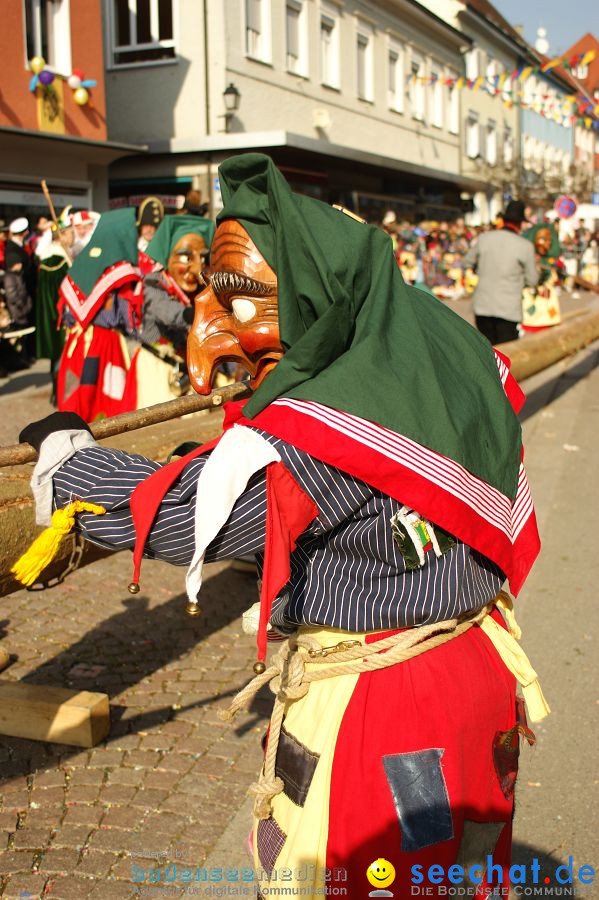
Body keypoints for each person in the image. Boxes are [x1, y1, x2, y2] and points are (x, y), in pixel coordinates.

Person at [15, 155, 545, 897]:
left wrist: (70, 459)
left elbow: (186, 518)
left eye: (239, 302)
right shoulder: (433, 349)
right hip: (473, 673)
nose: (214, 336)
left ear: (307, 295)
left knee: (368, 874)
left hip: (387, 709)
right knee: (460, 867)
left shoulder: (332, 421)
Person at [463, 200, 538, 345]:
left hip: (482, 305)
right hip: (507, 308)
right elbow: (532, 280)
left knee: (487, 354)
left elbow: (466, 261)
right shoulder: (525, 246)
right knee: (506, 356)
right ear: (520, 223)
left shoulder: (484, 238)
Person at [36, 207, 74, 404]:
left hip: (53, 315)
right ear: (62, 234)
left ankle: (57, 392)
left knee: (58, 356)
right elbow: (59, 293)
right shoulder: (55, 261)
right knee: (61, 355)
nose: (73, 237)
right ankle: (59, 394)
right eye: (71, 233)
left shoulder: (54, 257)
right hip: (59, 316)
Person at [521, 223, 564, 332]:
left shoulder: (550, 260)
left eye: (549, 240)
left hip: (547, 297)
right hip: (532, 295)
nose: (547, 243)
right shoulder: (530, 258)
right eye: (543, 239)